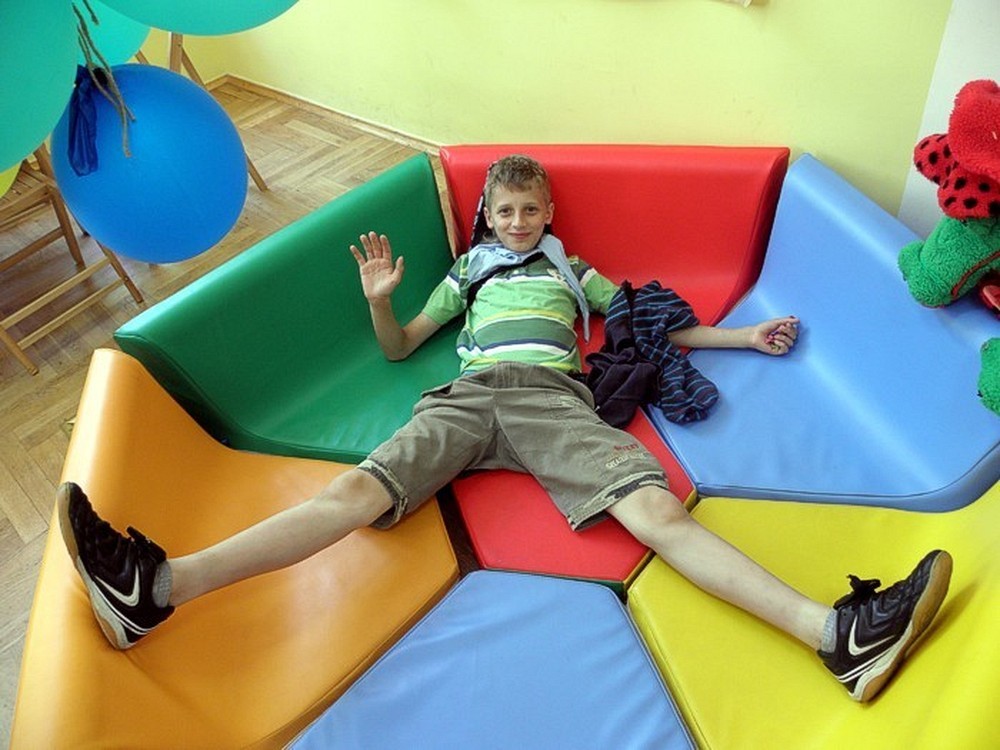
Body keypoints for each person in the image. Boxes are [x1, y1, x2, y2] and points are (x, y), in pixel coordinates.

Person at [58, 155, 951, 703]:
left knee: (656, 511)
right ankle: (157, 588)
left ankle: (834, 637)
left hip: (550, 400)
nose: (518, 222)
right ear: (486, 215)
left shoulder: (570, 270)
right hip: (468, 394)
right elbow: (403, 345)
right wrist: (380, 303)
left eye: (531, 210)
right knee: (351, 494)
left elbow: (648, 323)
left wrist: (743, 337)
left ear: (549, 216)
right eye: (505, 211)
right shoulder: (470, 272)